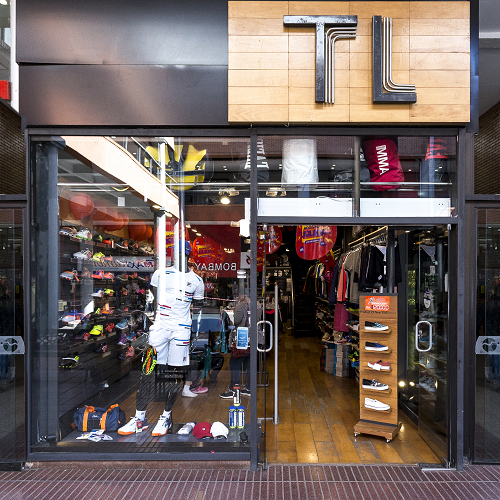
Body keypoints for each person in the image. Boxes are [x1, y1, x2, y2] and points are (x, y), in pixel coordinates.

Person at [118, 241, 205, 436]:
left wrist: (194, 334)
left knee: (173, 375)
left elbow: (198, 310)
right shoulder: (160, 273)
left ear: (188, 256)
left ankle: (165, 417)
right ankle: (139, 418)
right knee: (147, 371)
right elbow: (151, 302)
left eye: (183, 254)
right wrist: (148, 326)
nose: (178, 258)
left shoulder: (197, 281)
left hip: (181, 330)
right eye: (176, 254)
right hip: (160, 327)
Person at [220, 294, 252, 399]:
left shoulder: (242, 305)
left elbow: (236, 321)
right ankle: (249, 388)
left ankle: (234, 389)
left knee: (235, 363)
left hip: (243, 337)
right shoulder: (257, 304)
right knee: (250, 364)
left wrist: (232, 313)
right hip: (254, 337)